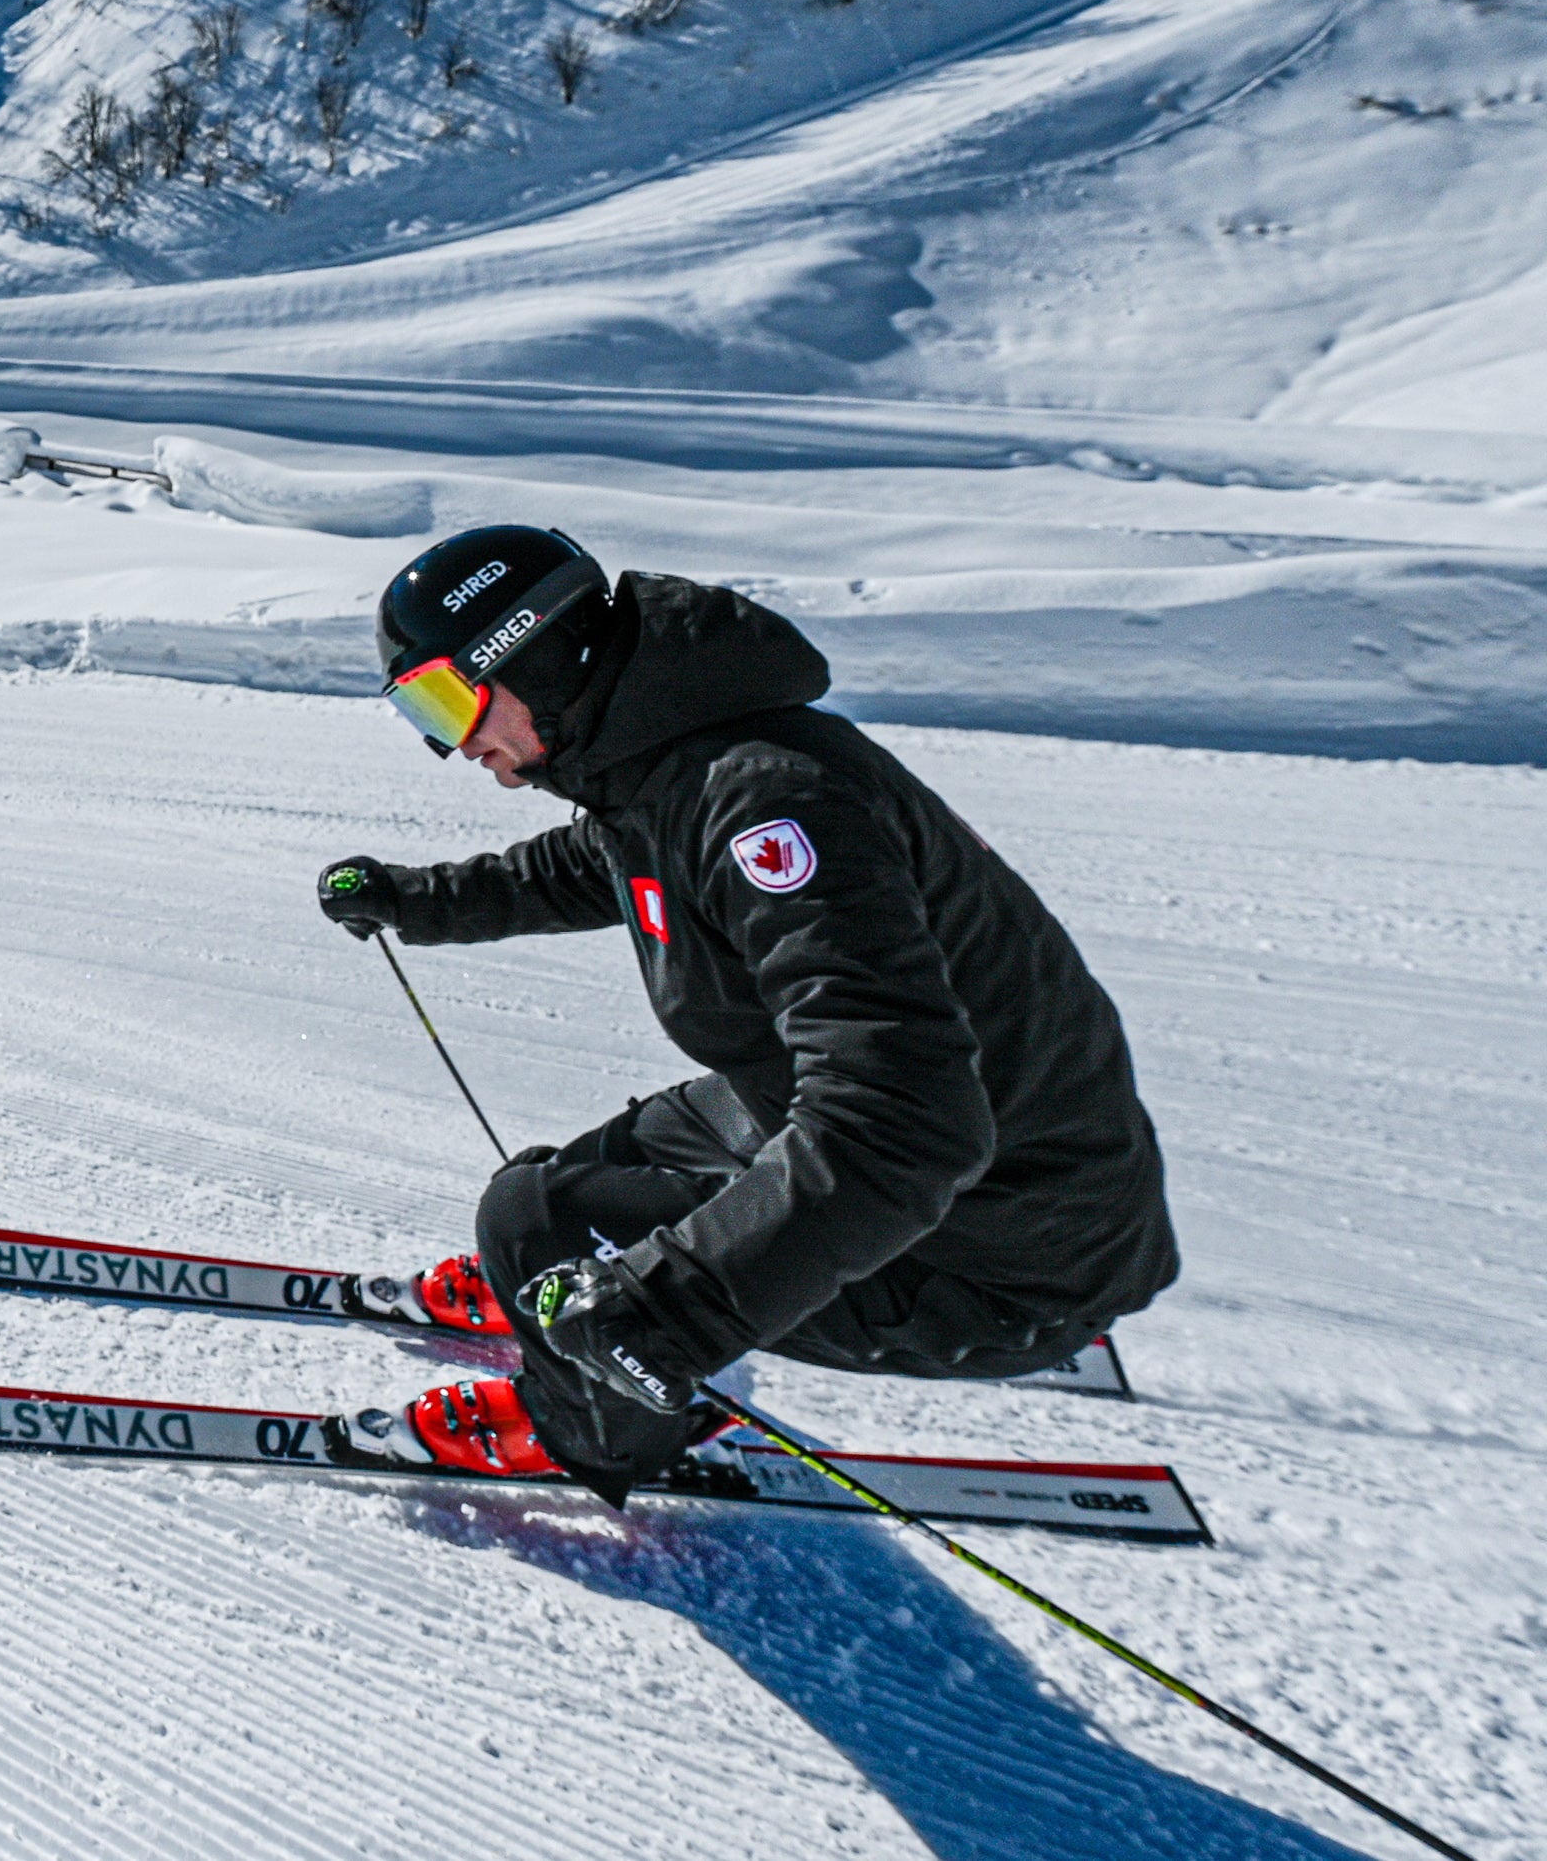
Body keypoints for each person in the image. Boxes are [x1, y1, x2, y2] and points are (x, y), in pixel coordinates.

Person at [310, 524, 1178, 1500]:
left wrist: (672, 1309)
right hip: (925, 1147)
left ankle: (586, 1432)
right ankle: (541, 1280)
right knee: (578, 1184)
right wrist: (417, 901)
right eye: (420, 714)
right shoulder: (669, 765)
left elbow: (907, 1124)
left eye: (448, 702)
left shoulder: (768, 802)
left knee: (530, 1212)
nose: (453, 745)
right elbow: (590, 865)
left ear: (533, 655)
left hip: (996, 1248)